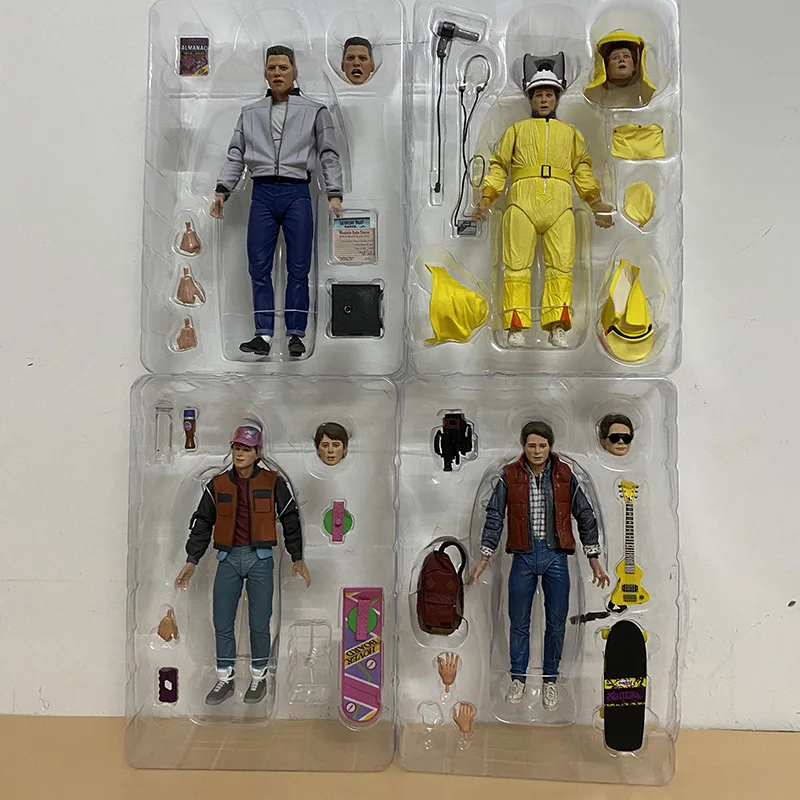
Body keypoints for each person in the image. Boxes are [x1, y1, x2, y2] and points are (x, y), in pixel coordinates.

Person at [211, 45, 344, 358]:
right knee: (258, 267)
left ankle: (296, 334)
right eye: (272, 68)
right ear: (265, 72)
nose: (277, 73)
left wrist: (334, 192)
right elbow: (236, 154)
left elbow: (328, 153)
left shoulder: (315, 111)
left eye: (283, 67)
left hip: (297, 192)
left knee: (299, 267)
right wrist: (222, 189)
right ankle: (263, 334)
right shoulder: (250, 113)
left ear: (294, 71)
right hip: (262, 193)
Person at [474, 53, 614, 349]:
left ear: (557, 98)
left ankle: (557, 326)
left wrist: (595, 202)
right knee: (515, 267)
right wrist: (487, 198)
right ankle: (515, 326)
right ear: (530, 98)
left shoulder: (570, 133)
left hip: (560, 206)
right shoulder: (515, 131)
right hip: (521, 204)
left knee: (562, 266)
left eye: (549, 95)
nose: (544, 100)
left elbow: (582, 168)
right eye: (538, 95)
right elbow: (498, 165)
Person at [468, 420, 610, 710]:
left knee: (556, 623)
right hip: (523, 555)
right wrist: (484, 557)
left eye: (542, 445)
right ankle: (518, 678)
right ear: (523, 446)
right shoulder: (508, 476)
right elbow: (494, 517)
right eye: (531, 445)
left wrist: (594, 558)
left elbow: (585, 515)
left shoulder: (565, 475)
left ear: (550, 446)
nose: (537, 450)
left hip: (556, 555)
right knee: (518, 621)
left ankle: (550, 680)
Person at [173, 424, 312, 706]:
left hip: (260, 559)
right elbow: (202, 523)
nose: (240, 454)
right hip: (227, 558)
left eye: (246, 449)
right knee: (222, 621)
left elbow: (290, 519)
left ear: (258, 452)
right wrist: (192, 559)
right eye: (237, 448)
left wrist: (297, 557)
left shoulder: (273, 483)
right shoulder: (217, 484)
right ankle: (225, 678)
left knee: (260, 623)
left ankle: (259, 677)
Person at [584, 31, 656, 109]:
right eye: (615, 57)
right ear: (607, 69)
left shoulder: (642, 90)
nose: (621, 60)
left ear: (634, 67)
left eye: (626, 56)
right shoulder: (598, 94)